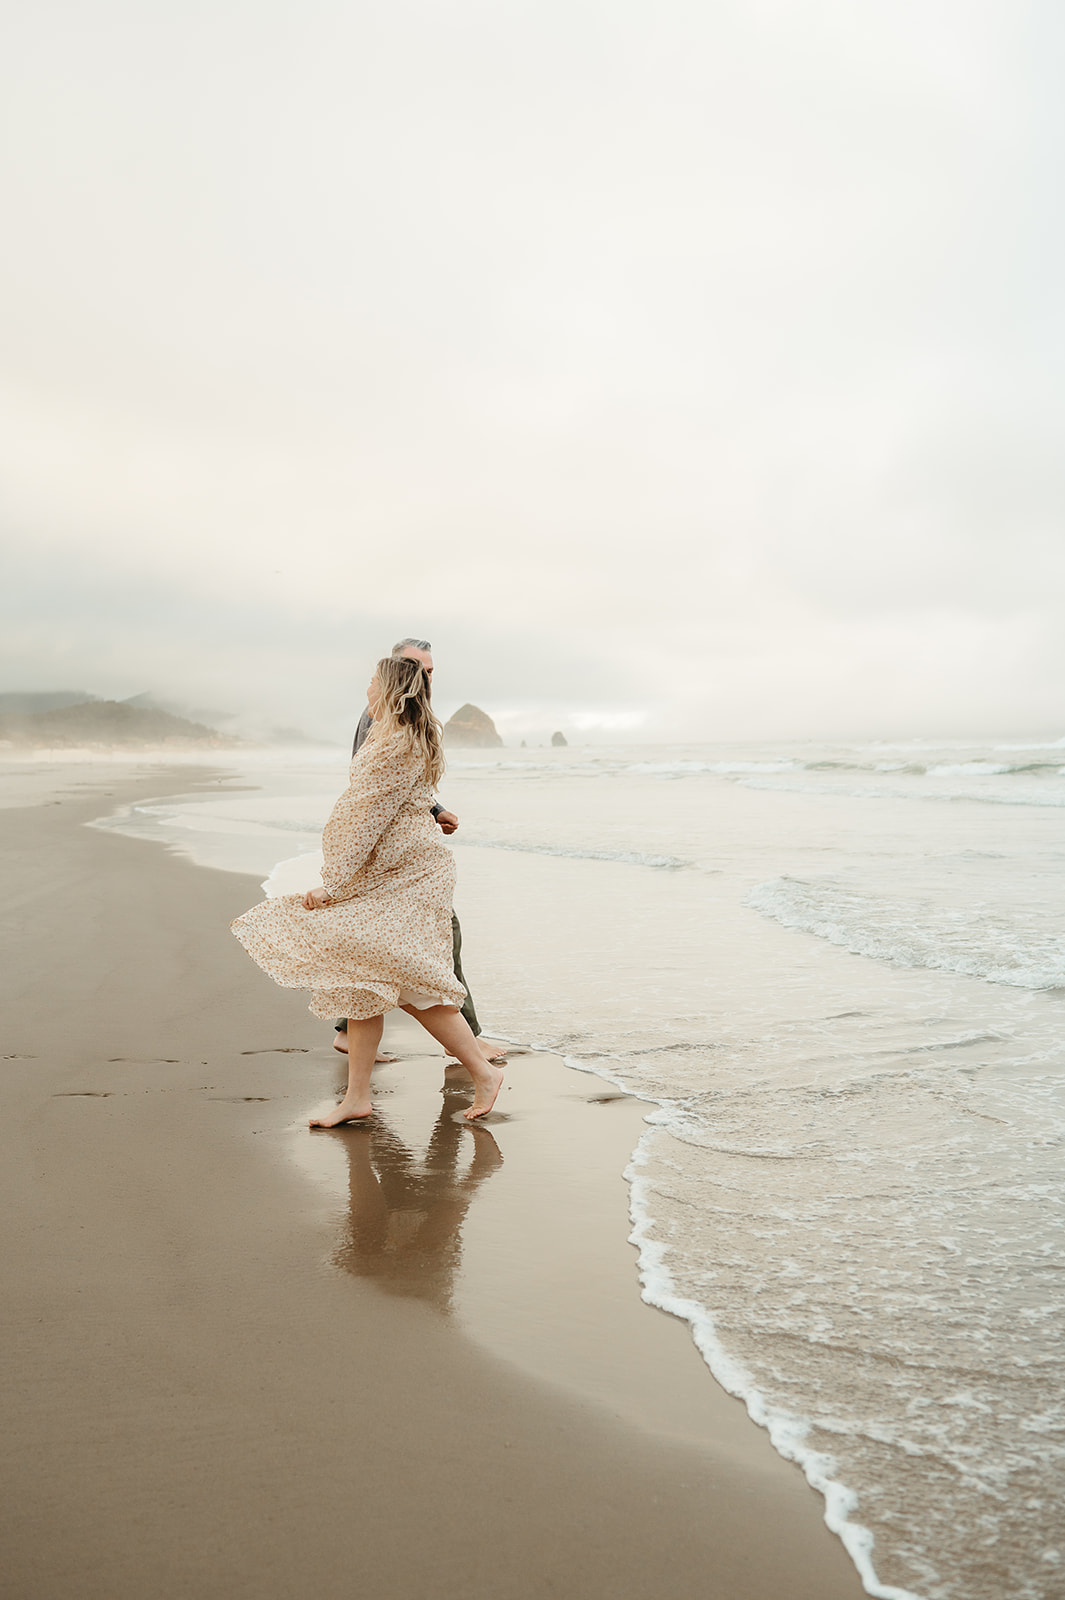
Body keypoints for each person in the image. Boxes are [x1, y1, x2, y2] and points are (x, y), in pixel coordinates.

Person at [231, 655, 505, 1126]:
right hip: (401, 868)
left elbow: (363, 820)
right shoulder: (407, 738)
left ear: (389, 689)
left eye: (371, 682)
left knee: (407, 982)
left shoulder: (392, 745)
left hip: (403, 875)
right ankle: (357, 1097)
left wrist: (333, 886)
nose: (365, 690)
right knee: (362, 978)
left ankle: (480, 1069)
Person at [334, 636, 505, 1072]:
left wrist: (435, 809)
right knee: (435, 942)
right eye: (416, 668)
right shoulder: (383, 719)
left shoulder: (405, 720)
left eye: (430, 670)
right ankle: (468, 1046)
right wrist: (343, 871)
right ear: (397, 671)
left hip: (397, 857)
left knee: (377, 950)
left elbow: (401, 785)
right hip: (394, 862)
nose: (425, 677)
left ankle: (347, 1036)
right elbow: (373, 790)